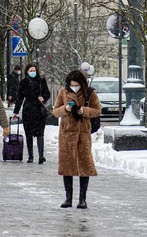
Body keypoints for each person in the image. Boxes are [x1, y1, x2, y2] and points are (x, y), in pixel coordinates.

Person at [53, 69, 101, 209]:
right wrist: (66, 109)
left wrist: (84, 111)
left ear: (82, 84)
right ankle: (68, 198)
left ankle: (82, 199)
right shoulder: (63, 92)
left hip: (83, 133)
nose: (74, 87)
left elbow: (97, 110)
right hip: (67, 134)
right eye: (72, 85)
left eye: (76, 85)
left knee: (84, 165)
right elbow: (56, 111)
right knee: (67, 165)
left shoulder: (90, 93)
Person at [12, 62, 50, 164]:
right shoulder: (24, 82)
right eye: (31, 71)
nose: (33, 72)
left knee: (40, 133)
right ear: (27, 72)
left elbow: (47, 93)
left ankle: (41, 156)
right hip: (28, 109)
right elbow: (19, 98)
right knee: (28, 133)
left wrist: (44, 97)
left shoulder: (41, 81)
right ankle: (30, 156)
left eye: (34, 70)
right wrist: (16, 111)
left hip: (39, 110)